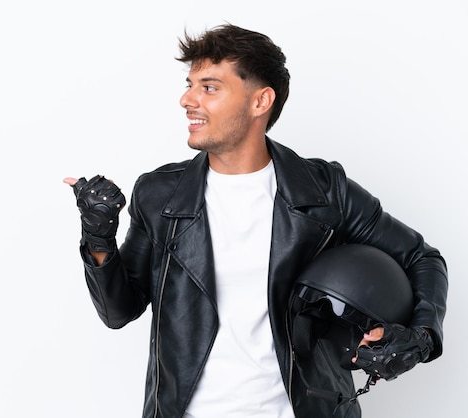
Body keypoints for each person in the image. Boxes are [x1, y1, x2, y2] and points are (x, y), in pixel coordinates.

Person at [64, 23, 448, 418]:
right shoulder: (161, 195)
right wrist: (99, 237)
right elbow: (118, 311)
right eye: (189, 84)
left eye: (209, 87)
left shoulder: (324, 191)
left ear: (260, 101)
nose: (186, 99)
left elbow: (422, 257)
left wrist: (420, 336)